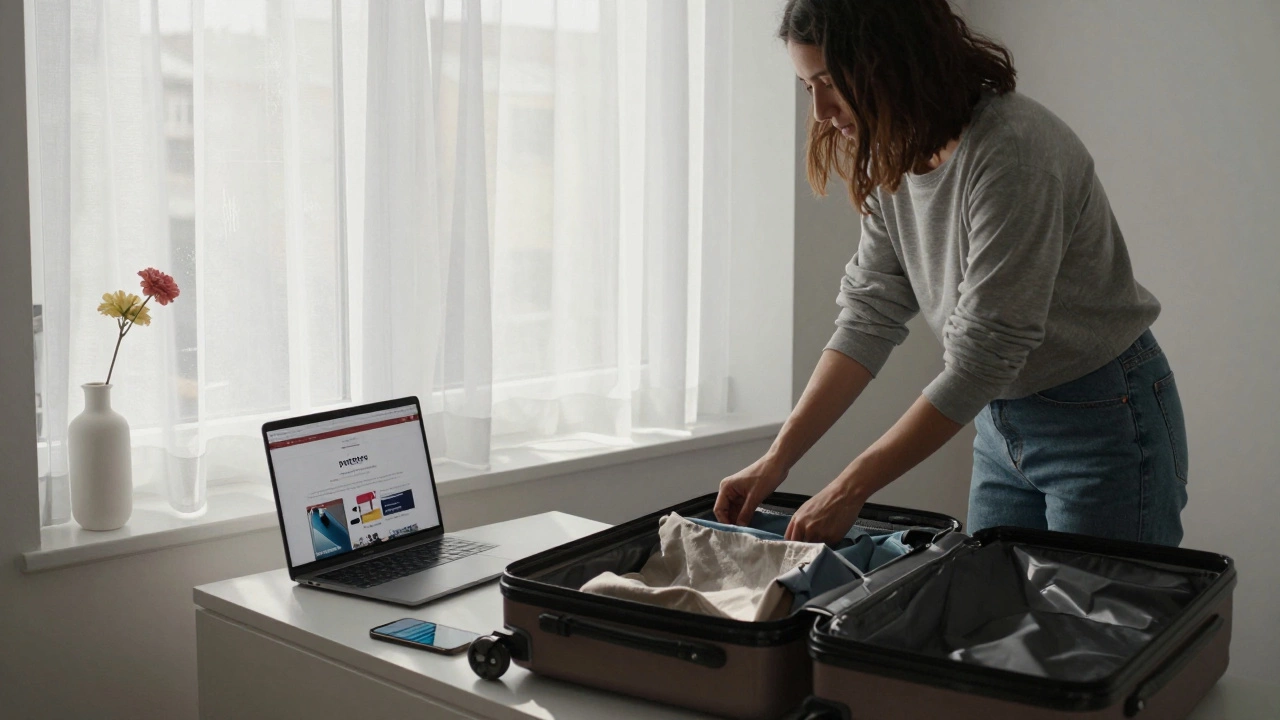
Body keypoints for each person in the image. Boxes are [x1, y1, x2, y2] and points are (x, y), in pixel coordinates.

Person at [715, 0, 1188, 546]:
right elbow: (869, 315)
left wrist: (849, 488)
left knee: (1096, 626)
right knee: (991, 623)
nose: (820, 110)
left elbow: (983, 356)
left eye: (831, 82)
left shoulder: (1013, 154)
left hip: (1104, 418)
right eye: (807, 86)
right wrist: (776, 461)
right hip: (998, 421)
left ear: (890, 61)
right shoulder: (889, 151)